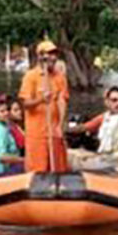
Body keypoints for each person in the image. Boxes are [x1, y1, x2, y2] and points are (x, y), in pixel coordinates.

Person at [19, 40, 70, 173]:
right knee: (38, 169)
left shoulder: (60, 77)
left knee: (59, 168)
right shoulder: (30, 76)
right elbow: (25, 104)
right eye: (50, 54)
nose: (53, 57)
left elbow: (62, 101)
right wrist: (41, 99)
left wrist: (60, 125)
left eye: (54, 54)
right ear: (41, 56)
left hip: (54, 130)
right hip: (37, 133)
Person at [69, 86, 118, 181]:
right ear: (107, 102)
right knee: (70, 153)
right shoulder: (106, 117)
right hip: (106, 158)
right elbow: (85, 127)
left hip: (114, 166)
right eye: (114, 100)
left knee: (69, 160)